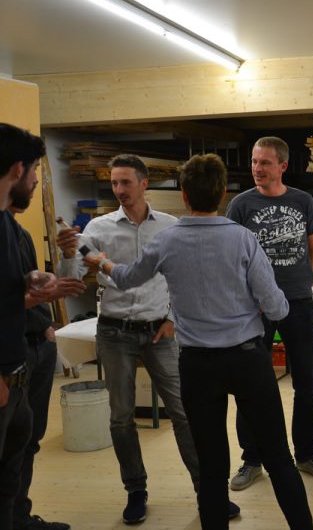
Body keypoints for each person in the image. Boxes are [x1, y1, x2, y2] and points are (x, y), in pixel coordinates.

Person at [86, 154, 313, 529]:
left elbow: (125, 279)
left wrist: (98, 260)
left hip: (197, 365)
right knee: (278, 459)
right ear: (223, 193)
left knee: (211, 468)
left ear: (184, 195)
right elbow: (276, 307)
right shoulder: (243, 239)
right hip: (247, 360)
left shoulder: (167, 241)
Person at [57, 154, 237, 524]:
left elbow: (186, 278)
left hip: (160, 332)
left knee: (184, 413)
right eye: (114, 183)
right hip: (115, 332)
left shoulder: (171, 227)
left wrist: (172, 317)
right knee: (121, 419)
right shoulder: (98, 228)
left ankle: (208, 492)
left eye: (126, 182)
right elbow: (69, 279)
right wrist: (68, 253)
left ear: (144, 184)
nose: (119, 190)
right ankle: (135, 490)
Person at [226, 136, 313, 490]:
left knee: (307, 383)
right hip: (253, 307)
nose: (257, 169)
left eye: (265, 163)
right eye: (254, 162)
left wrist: (296, 282)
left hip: (297, 303)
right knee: (251, 384)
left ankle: (306, 454)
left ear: (283, 166)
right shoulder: (241, 205)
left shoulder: (303, 202)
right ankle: (251, 459)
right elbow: (232, 255)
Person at [10, 205, 85, 530]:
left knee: (28, 439)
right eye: (28, 178)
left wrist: (44, 325)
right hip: (13, 351)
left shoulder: (20, 234)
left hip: (39, 344)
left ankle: (19, 517)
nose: (32, 182)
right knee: (12, 443)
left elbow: (29, 289)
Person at [0, 124, 58, 530]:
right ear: (18, 168)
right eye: (35, 168)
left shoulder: (8, 224)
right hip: (4, 376)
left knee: (12, 470)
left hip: (18, 371)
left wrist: (30, 281)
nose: (36, 178)